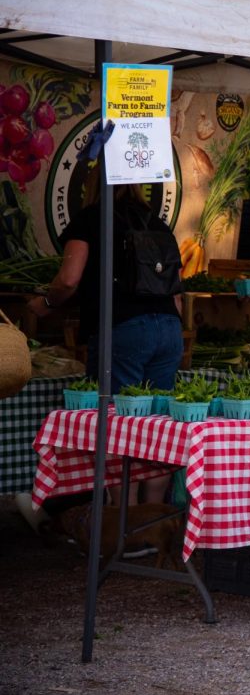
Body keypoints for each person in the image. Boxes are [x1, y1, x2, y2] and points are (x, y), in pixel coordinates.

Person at [28, 182, 183, 507]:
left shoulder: (91, 218)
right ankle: (151, 523)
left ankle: (120, 527)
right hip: (168, 328)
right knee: (158, 424)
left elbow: (69, 279)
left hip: (123, 330)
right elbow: (176, 296)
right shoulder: (157, 223)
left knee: (116, 424)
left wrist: (45, 303)